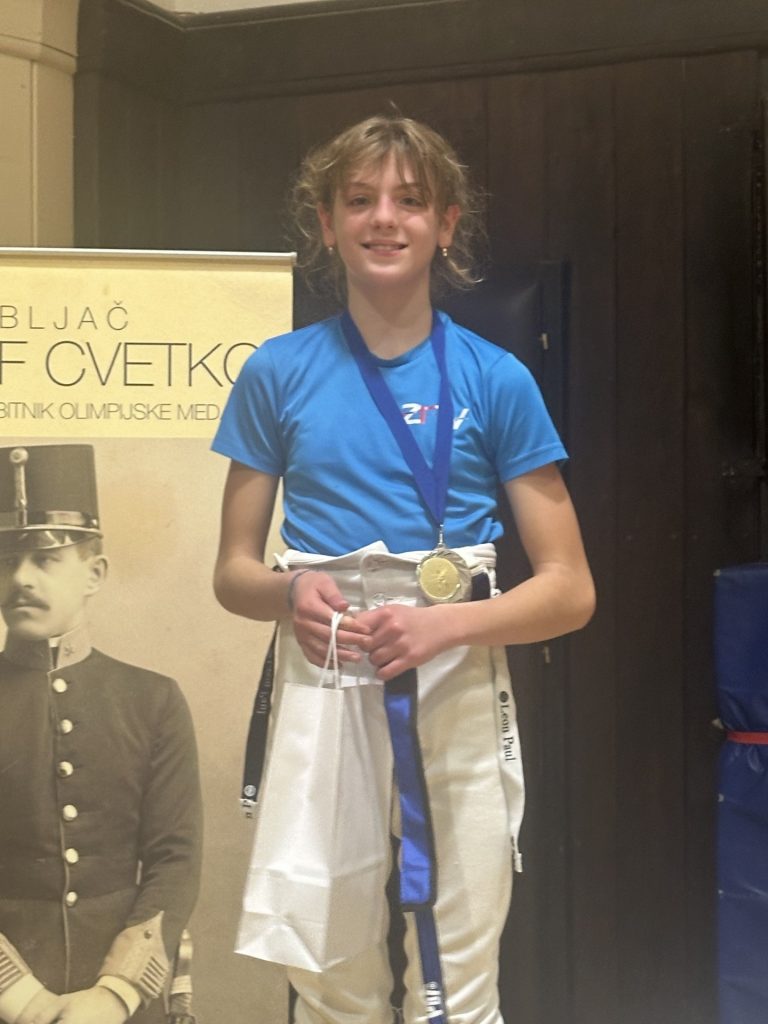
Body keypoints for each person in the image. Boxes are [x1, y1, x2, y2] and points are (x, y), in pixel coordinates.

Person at [212, 114, 595, 1024]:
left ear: (446, 224)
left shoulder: (496, 378)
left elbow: (569, 590)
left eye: (411, 200)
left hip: (453, 670)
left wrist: (445, 623)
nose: (385, 218)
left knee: (456, 981)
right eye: (360, 200)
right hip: (324, 671)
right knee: (328, 972)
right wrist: (288, 591)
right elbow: (231, 573)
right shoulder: (277, 372)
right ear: (326, 222)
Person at [0, 443, 203, 1024]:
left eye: (45, 559)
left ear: (94, 574)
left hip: (121, 998)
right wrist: (21, 999)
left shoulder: (152, 700)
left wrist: (114, 995)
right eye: (6, 559)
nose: (20, 578)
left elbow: (174, 860)